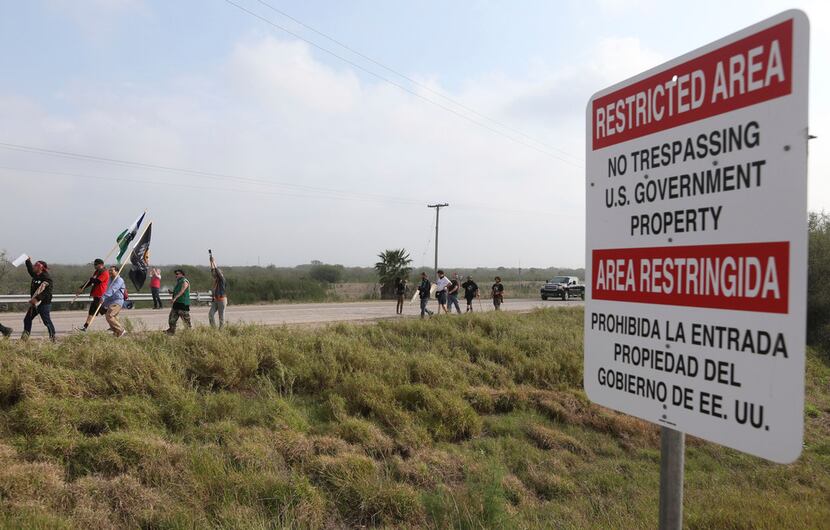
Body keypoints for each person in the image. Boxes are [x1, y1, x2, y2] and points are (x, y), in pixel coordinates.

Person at [22, 258, 56, 341]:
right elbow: (30, 270)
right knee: (27, 319)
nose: (34, 267)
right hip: (35, 304)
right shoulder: (36, 275)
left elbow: (47, 291)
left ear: (41, 267)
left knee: (46, 321)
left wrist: (37, 299)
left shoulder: (46, 278)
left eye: (36, 266)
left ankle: (53, 338)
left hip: (44, 303)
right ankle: (24, 339)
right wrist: (27, 261)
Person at [77, 258, 109, 331]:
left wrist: (92, 279)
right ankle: (114, 324)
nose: (94, 266)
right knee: (104, 311)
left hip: (100, 295)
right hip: (96, 295)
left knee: (92, 311)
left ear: (100, 265)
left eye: (96, 264)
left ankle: (85, 327)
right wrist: (82, 287)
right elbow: (90, 281)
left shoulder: (104, 272)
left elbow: (97, 281)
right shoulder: (96, 272)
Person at [101, 266, 127, 337]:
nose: (110, 272)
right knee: (113, 317)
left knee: (109, 315)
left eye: (112, 270)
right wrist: (103, 302)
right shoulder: (110, 280)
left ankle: (121, 330)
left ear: (117, 271)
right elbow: (107, 290)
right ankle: (116, 332)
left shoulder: (119, 280)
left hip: (117, 301)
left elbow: (113, 289)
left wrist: (104, 296)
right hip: (110, 301)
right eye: (109, 270)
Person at [165, 268, 192, 334]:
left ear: (182, 274)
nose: (176, 275)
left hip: (183, 304)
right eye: (175, 274)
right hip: (176, 304)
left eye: (177, 274)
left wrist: (174, 299)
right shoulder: (179, 282)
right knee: (171, 319)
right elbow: (178, 291)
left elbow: (182, 291)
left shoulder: (185, 281)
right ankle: (171, 331)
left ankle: (189, 333)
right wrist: (172, 292)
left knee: (186, 321)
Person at [208, 254, 227, 329]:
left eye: (217, 274)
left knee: (221, 317)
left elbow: (216, 270)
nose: (215, 275)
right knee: (210, 314)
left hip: (222, 300)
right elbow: (213, 270)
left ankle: (221, 331)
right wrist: (211, 262)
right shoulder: (216, 280)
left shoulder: (222, 280)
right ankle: (214, 329)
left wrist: (214, 261)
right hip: (216, 300)